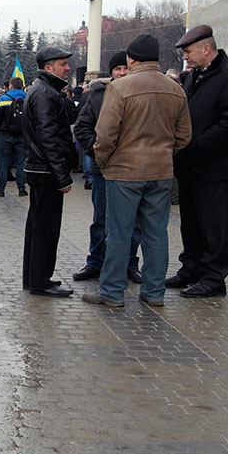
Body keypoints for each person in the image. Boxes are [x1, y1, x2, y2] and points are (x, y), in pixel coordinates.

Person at [82, 34, 191, 307]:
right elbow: (184, 135)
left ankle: (112, 292)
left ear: (131, 59)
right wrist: (165, 153)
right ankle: (154, 293)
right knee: (156, 233)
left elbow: (105, 135)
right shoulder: (175, 89)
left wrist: (105, 161)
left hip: (124, 172)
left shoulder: (119, 88)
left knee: (119, 233)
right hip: (161, 172)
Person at [167, 24, 228, 298]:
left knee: (214, 225)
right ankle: (191, 268)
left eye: (189, 51)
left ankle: (214, 278)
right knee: (190, 222)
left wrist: (199, 144)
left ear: (207, 48)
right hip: (190, 165)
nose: (186, 58)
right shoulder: (195, 76)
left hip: (212, 166)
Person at [72, 51, 144, 284]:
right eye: (118, 69)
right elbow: (82, 128)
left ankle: (131, 264)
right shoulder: (98, 96)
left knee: (133, 220)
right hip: (103, 168)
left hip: (133, 168)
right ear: (111, 72)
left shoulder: (141, 93)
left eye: (125, 68)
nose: (122, 73)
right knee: (101, 217)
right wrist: (97, 152)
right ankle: (95, 262)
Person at [22, 47, 78, 297]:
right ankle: (39, 281)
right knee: (45, 227)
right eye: (63, 64)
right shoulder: (44, 93)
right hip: (45, 170)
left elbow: (69, 117)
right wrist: (62, 176)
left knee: (38, 225)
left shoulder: (45, 90)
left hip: (40, 168)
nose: (67, 68)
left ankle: (35, 277)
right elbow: (48, 137)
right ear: (49, 68)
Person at [0, 77, 28, 198]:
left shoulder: (4, 98)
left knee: (3, 162)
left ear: (10, 86)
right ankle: (22, 189)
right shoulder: (27, 98)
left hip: (5, 135)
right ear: (22, 87)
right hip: (22, 135)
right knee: (20, 162)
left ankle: (0, 189)